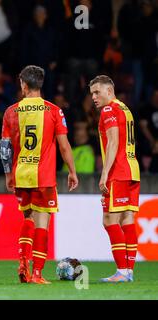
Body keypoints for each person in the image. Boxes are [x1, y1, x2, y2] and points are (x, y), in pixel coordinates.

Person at [0, 65, 78, 284]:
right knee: (42, 222)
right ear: (40, 84)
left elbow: (4, 148)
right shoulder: (54, 111)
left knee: (28, 218)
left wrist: (8, 174)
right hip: (43, 176)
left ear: (23, 84)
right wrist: (72, 171)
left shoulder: (10, 111)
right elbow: (63, 146)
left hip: (20, 174)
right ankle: (37, 273)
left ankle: (23, 262)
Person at [89, 75, 140, 283]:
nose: (93, 97)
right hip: (132, 170)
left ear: (109, 91)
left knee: (109, 220)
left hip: (118, 172)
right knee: (127, 219)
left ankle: (122, 271)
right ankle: (128, 270)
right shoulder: (125, 108)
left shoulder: (108, 110)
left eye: (97, 92)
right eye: (92, 93)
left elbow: (112, 142)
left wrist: (104, 173)